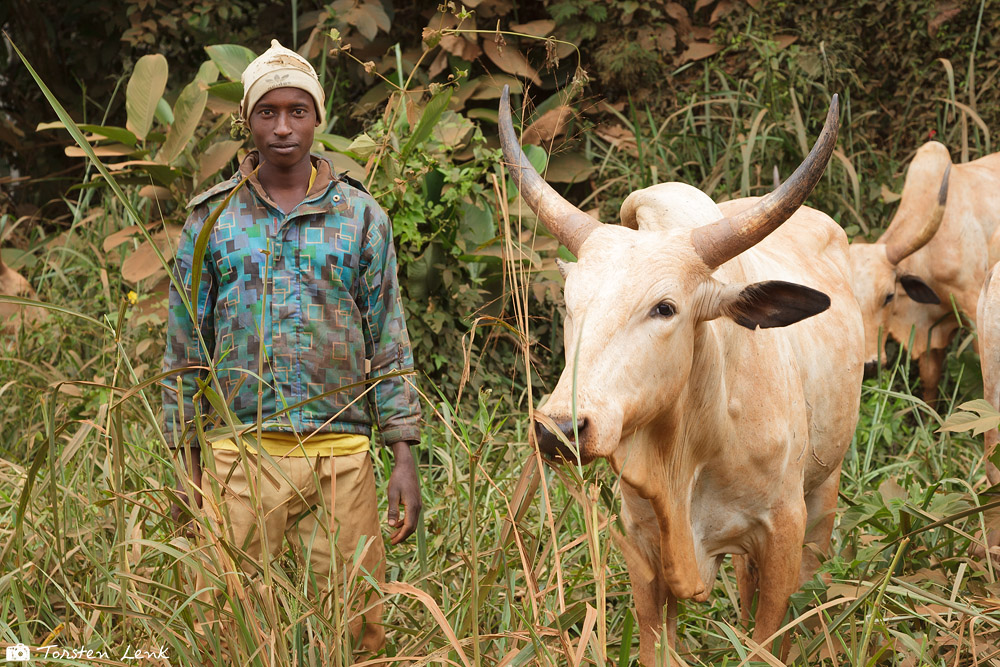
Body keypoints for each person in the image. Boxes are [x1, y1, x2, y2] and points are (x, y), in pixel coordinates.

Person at [161, 39, 422, 654]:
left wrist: (403, 455)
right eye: (268, 111)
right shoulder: (212, 219)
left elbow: (388, 336)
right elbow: (184, 350)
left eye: (297, 111)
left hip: (343, 457)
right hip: (238, 458)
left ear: (317, 118)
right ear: (247, 120)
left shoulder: (361, 217)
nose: (283, 127)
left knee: (358, 628)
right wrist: (185, 464)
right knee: (228, 629)